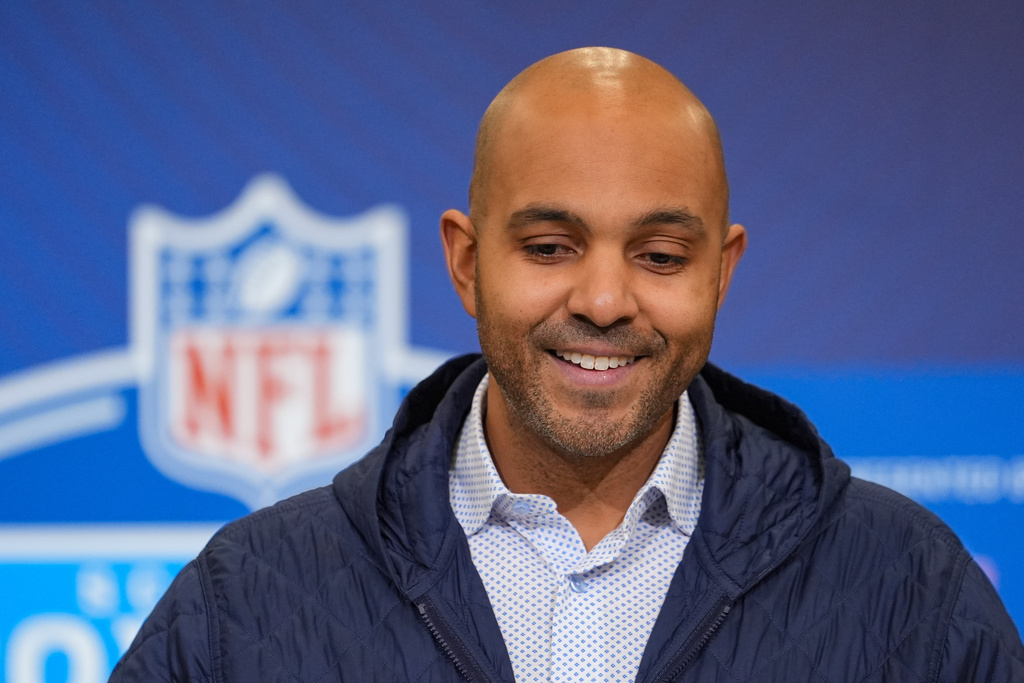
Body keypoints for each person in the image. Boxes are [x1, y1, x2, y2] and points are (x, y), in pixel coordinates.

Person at [110, 47, 1024, 682]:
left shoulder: (909, 588)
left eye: (660, 256)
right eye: (550, 246)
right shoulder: (248, 599)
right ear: (467, 262)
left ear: (721, 270)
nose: (602, 299)